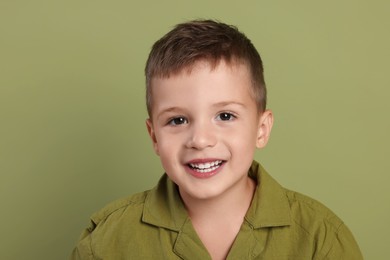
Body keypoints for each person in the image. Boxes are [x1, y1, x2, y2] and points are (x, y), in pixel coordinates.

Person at [70, 19, 363, 260]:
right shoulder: (107, 243)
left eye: (225, 116)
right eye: (177, 120)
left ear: (261, 129)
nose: (200, 140)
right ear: (154, 136)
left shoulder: (320, 238)